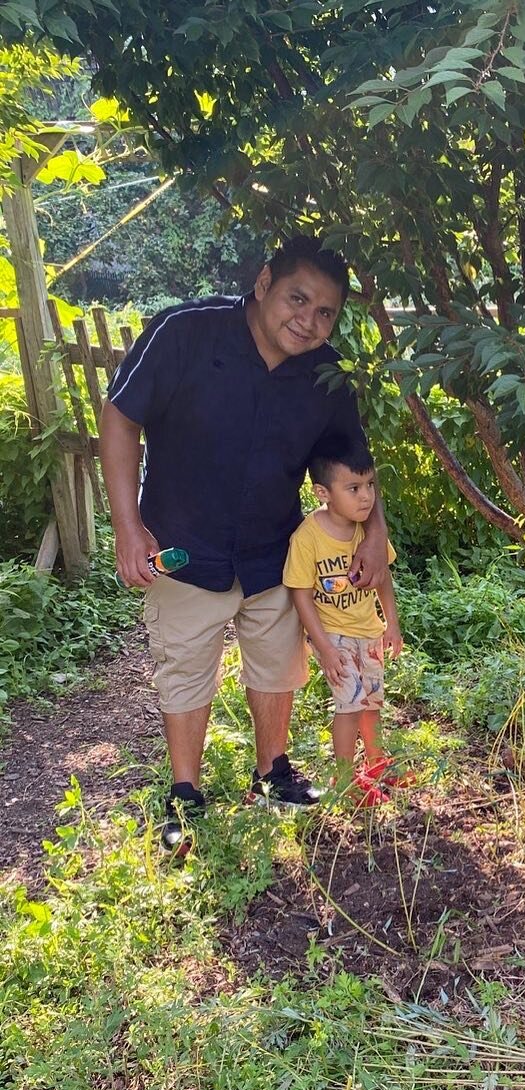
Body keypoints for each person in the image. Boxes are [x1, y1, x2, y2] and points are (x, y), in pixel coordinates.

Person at [101, 234, 402, 852]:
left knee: (277, 665)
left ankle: (273, 774)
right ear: (264, 283)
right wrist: (128, 527)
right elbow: (120, 416)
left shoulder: (326, 374)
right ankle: (185, 795)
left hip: (273, 550)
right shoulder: (184, 333)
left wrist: (374, 532)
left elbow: (354, 463)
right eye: (298, 299)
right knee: (184, 668)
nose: (309, 321)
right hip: (183, 548)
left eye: (326, 313)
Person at [283, 436, 402, 806]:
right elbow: (300, 593)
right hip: (334, 636)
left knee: (372, 703)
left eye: (369, 485)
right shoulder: (308, 537)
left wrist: (392, 624)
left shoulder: (369, 531)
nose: (366, 497)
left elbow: (382, 575)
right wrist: (323, 647)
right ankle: (346, 779)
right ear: (322, 492)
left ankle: (377, 764)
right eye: (353, 488)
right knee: (349, 706)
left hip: (369, 631)